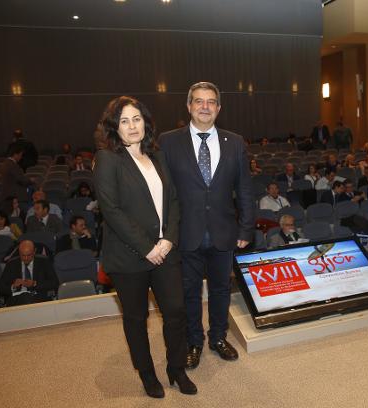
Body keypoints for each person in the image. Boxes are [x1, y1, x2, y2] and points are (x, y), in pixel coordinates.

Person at [94, 96, 196, 398]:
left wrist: (169, 239)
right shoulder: (108, 159)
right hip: (129, 257)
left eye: (136, 119)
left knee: (176, 311)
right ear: (115, 128)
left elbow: (174, 201)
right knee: (137, 319)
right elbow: (111, 210)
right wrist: (147, 246)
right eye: (124, 121)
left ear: (145, 122)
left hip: (165, 251)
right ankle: (148, 374)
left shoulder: (157, 154)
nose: (132, 126)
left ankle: (176, 369)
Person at [159, 81, 255, 366]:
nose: (204, 106)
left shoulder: (235, 142)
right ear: (188, 106)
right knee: (189, 292)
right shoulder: (168, 141)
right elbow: (162, 191)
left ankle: (217, 337)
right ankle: (194, 341)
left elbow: (245, 189)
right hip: (184, 233)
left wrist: (246, 228)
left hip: (224, 232)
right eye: (198, 101)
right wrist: (165, 231)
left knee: (221, 290)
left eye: (210, 102)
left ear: (218, 108)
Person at [0, 240, 58, 307]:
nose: (26, 258)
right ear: (19, 253)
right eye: (23, 255)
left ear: (34, 252)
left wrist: (35, 283)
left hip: (39, 298)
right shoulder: (11, 264)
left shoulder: (44, 262)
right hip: (17, 299)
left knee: (28, 299)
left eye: (29, 255)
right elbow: (0, 288)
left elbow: (55, 283)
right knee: (25, 298)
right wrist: (13, 287)